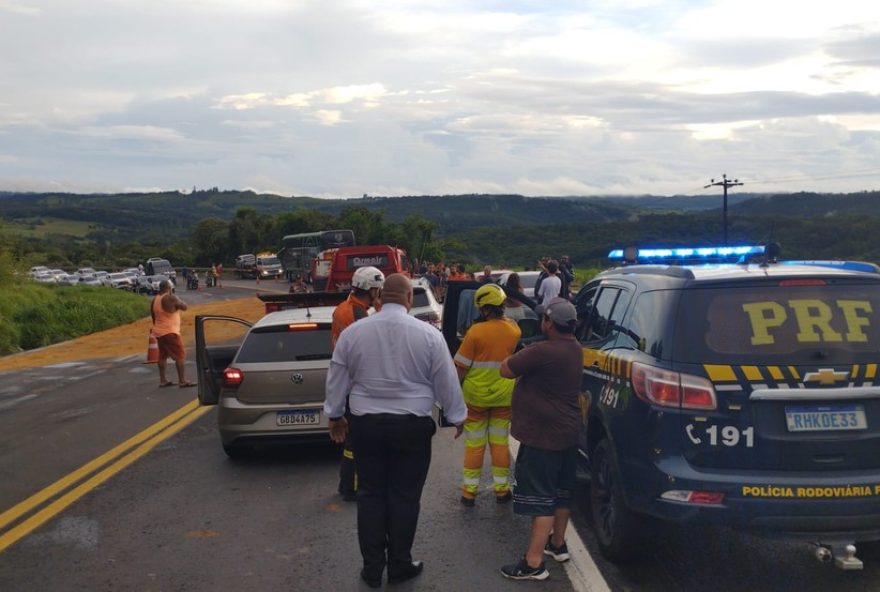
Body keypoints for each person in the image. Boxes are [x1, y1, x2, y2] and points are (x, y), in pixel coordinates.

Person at [324, 273, 467, 589]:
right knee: (404, 497)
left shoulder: (354, 333)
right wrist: (457, 416)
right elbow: (446, 378)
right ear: (407, 299)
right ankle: (400, 563)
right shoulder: (427, 334)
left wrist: (335, 416)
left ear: (379, 297)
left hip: (367, 427)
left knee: (370, 495)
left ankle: (372, 569)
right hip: (411, 429)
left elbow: (337, 376)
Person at [498, 298, 582, 580]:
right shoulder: (575, 348)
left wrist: (517, 354)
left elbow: (505, 369)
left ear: (548, 322)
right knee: (561, 493)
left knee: (541, 499)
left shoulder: (542, 351)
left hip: (543, 436)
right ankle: (557, 545)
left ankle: (533, 563)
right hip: (568, 432)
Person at [454, 283, 521, 506]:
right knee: (499, 442)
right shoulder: (514, 330)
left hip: (476, 399)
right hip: (504, 396)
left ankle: (469, 493)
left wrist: (453, 398)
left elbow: (461, 367)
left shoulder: (475, 332)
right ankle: (502, 491)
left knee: (475, 445)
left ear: (484, 309)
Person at [331, 266, 385, 502]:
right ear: (371, 289)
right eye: (378, 290)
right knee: (356, 441)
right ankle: (352, 487)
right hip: (357, 386)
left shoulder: (344, 308)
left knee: (353, 440)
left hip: (348, 382)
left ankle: (348, 484)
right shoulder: (358, 315)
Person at [151, 279, 197, 388]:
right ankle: (182, 380)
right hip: (170, 331)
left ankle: (163, 380)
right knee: (180, 356)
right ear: (169, 288)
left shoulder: (155, 299)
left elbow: (153, 316)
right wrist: (176, 297)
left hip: (159, 331)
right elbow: (184, 307)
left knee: (162, 356)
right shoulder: (171, 297)